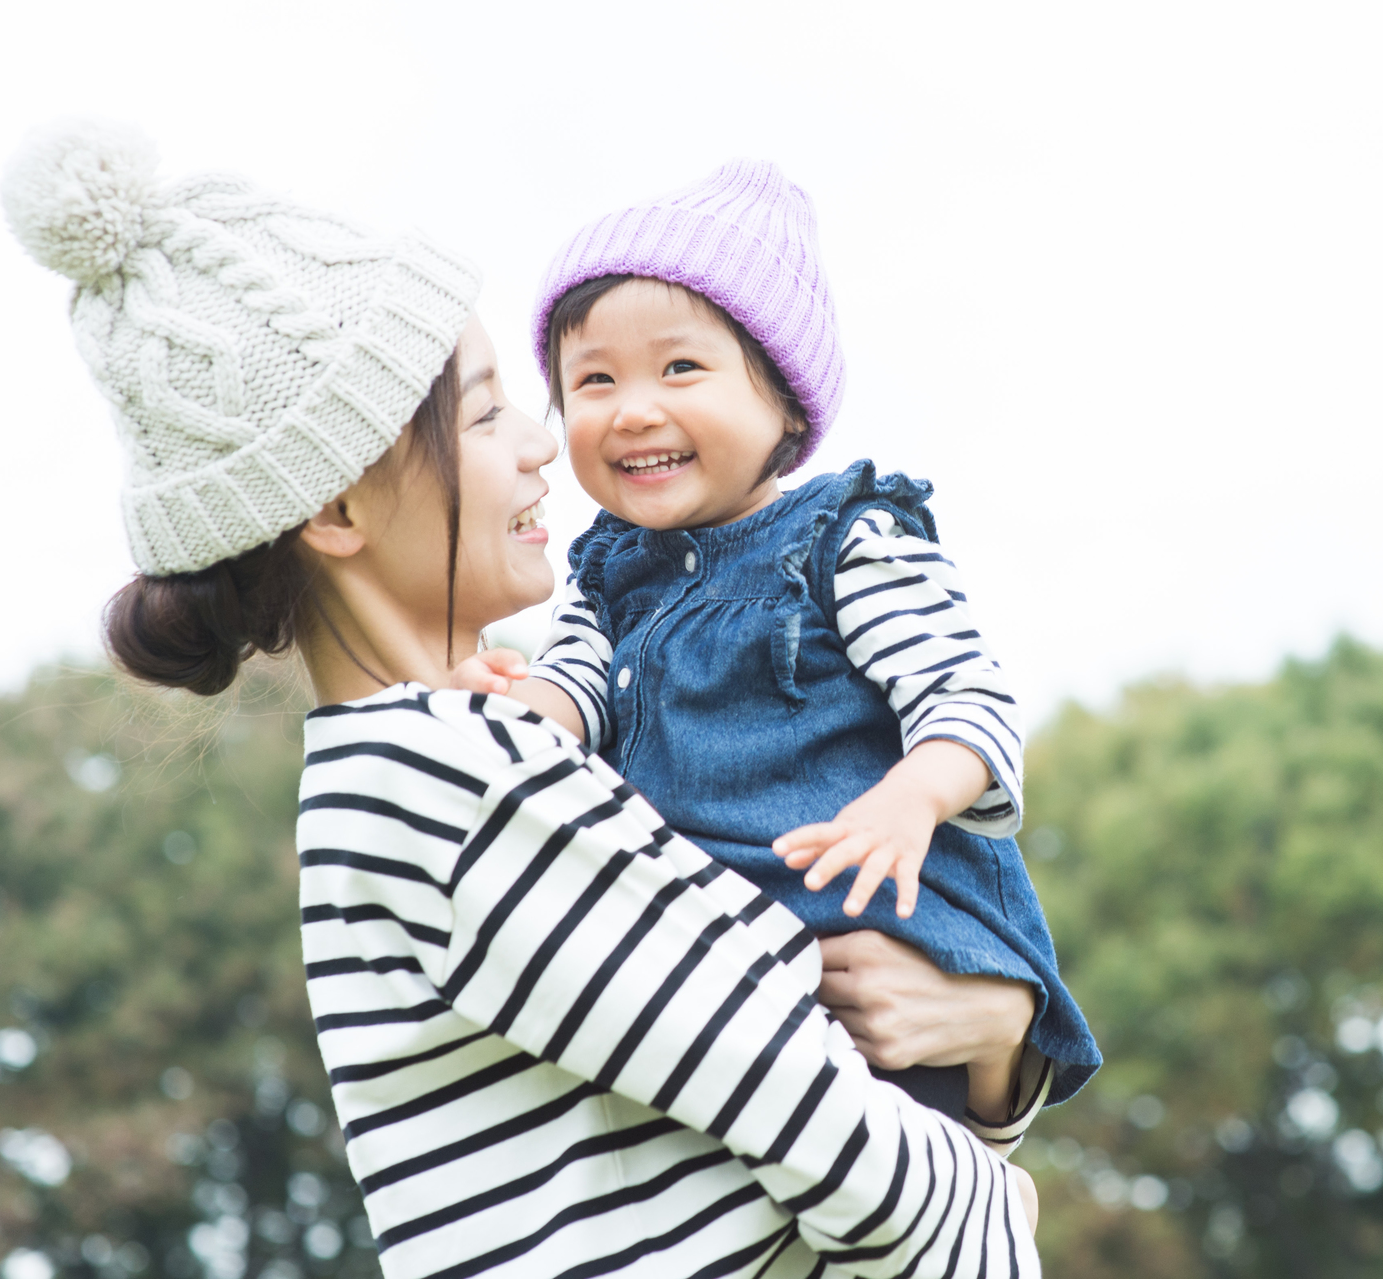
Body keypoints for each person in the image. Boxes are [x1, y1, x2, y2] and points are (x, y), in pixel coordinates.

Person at [2, 122, 1040, 1277]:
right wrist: (997, 1161)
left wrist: (989, 1054)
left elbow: (797, 1082)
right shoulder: (442, 775)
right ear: (338, 509)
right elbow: (862, 1159)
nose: (551, 443)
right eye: (492, 412)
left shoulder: (455, 757)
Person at [450, 162, 1101, 1123]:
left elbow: (970, 701)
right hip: (732, 979)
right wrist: (509, 710)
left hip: (884, 945)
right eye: (593, 379)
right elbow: (569, 696)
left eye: (680, 368)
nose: (631, 408)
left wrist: (910, 799)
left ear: (786, 404)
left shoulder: (847, 542)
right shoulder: (609, 573)